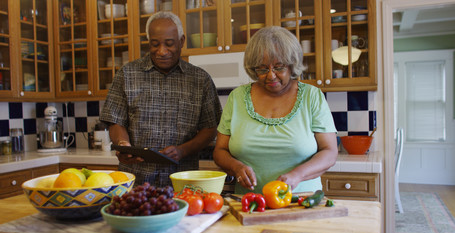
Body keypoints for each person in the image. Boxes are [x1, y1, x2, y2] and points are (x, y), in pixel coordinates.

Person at [100, 11, 222, 187]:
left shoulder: (200, 80)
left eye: (169, 44)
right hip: (135, 179)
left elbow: (210, 129)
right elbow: (115, 121)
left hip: (182, 182)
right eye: (154, 44)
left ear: (181, 41)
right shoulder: (127, 74)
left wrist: (182, 150)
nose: (162, 51)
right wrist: (123, 144)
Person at [213, 26, 338, 194]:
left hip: (302, 201)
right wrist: (236, 167)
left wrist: (298, 175)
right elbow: (220, 151)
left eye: (279, 67)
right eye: (262, 68)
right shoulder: (237, 98)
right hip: (250, 203)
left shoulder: (311, 96)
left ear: (292, 65)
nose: (270, 75)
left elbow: (330, 151)